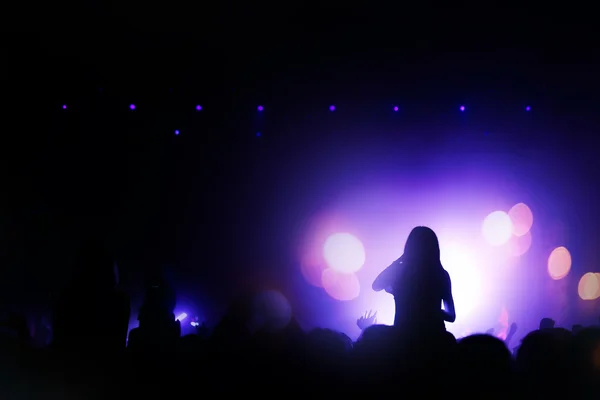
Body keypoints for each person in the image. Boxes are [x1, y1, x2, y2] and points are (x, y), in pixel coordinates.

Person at [372, 226, 455, 335]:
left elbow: (376, 285)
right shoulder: (441, 274)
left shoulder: (400, 273)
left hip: (403, 338)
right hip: (434, 337)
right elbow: (451, 316)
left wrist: (399, 260)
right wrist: (430, 310)